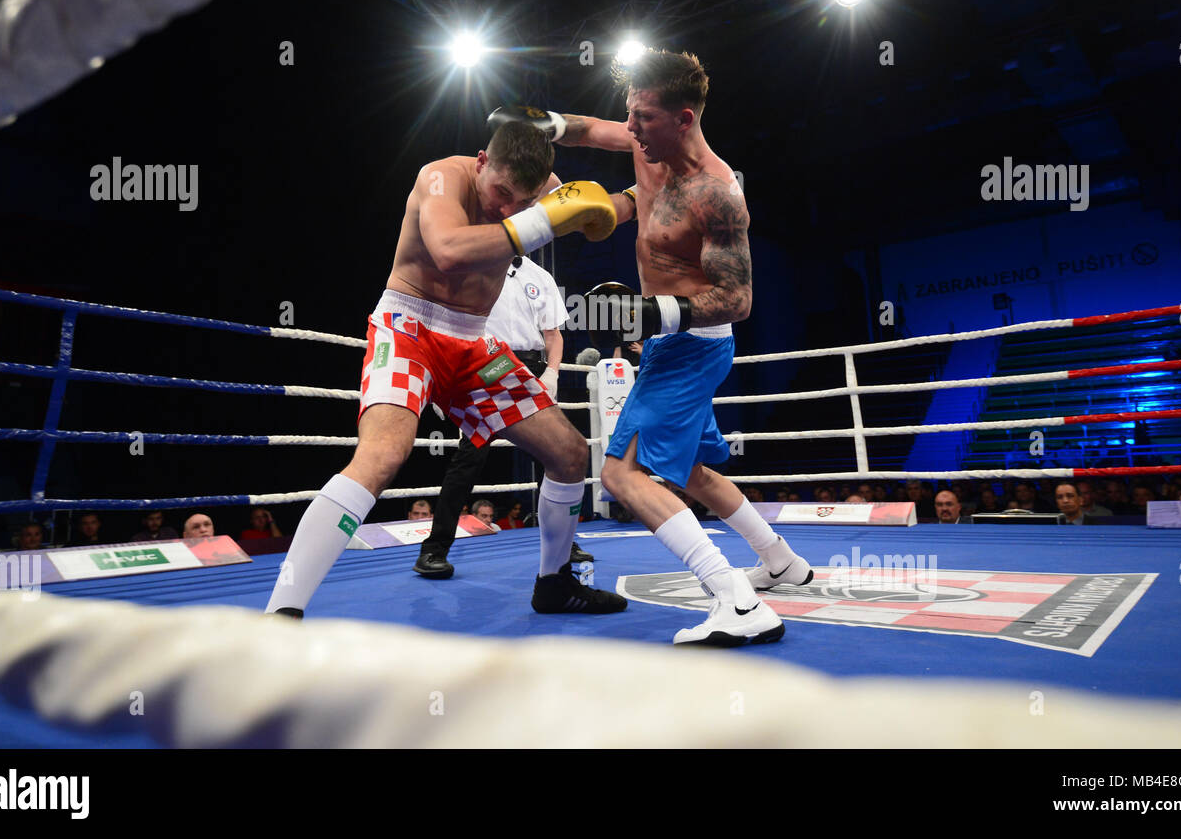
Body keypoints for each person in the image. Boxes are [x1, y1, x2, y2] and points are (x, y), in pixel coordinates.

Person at [499, 48, 808, 645]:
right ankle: (780, 563)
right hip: (674, 343)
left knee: (620, 473)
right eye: (631, 114)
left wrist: (653, 312)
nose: (632, 129)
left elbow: (738, 298)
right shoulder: (648, 144)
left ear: (685, 119)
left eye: (643, 117)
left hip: (690, 346)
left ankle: (737, 604)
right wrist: (545, 123)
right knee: (689, 468)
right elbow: (591, 130)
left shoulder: (717, 193)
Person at [264, 121, 627, 619]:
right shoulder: (440, 177)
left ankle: (555, 583)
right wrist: (540, 219)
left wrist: (618, 198)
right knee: (382, 455)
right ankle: (282, 612)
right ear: (481, 160)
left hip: (474, 341)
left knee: (567, 454)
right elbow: (449, 251)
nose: (505, 207)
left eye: (521, 202)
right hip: (408, 325)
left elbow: (596, 183)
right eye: (499, 192)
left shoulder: (540, 187)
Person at [414, 251, 584, 578]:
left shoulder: (539, 276)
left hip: (530, 368)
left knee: (557, 456)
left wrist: (552, 373)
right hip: (487, 367)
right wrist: (440, 380)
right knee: (469, 460)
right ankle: (434, 550)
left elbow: (553, 336)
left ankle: (566, 545)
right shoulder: (471, 266)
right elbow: (447, 327)